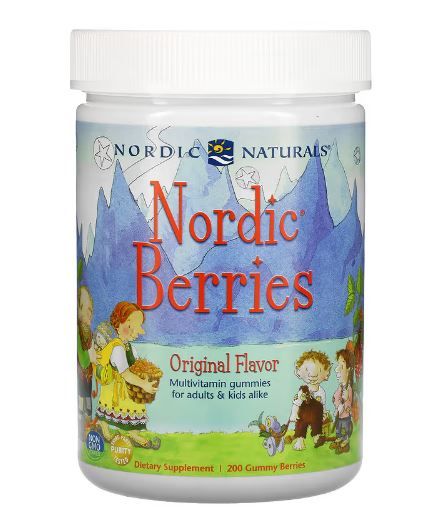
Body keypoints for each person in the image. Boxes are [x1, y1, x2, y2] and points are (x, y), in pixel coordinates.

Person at [95, 301, 158, 447]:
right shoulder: (117, 348)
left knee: (134, 409)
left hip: (126, 387)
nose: (136, 332)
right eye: (131, 327)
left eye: (137, 327)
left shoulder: (129, 347)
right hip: (117, 388)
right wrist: (143, 384)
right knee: (112, 410)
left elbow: (136, 365)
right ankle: (105, 430)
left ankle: (133, 434)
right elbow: (126, 374)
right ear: (118, 324)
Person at [77, 285, 96, 437]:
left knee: (88, 395)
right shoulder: (78, 332)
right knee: (82, 396)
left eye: (90, 309)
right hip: (82, 372)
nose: (88, 313)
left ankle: (89, 421)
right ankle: (83, 422)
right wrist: (89, 357)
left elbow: (92, 348)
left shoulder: (89, 331)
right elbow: (82, 356)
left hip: (88, 373)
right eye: (85, 308)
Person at [330, 347, 354, 454]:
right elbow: (335, 398)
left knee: (345, 429)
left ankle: (345, 441)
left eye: (341, 366)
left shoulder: (348, 388)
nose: (337, 370)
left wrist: (346, 399)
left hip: (345, 417)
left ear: (348, 369)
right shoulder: (341, 387)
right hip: (339, 415)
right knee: (338, 428)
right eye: (338, 366)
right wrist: (338, 403)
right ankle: (339, 438)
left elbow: (349, 404)